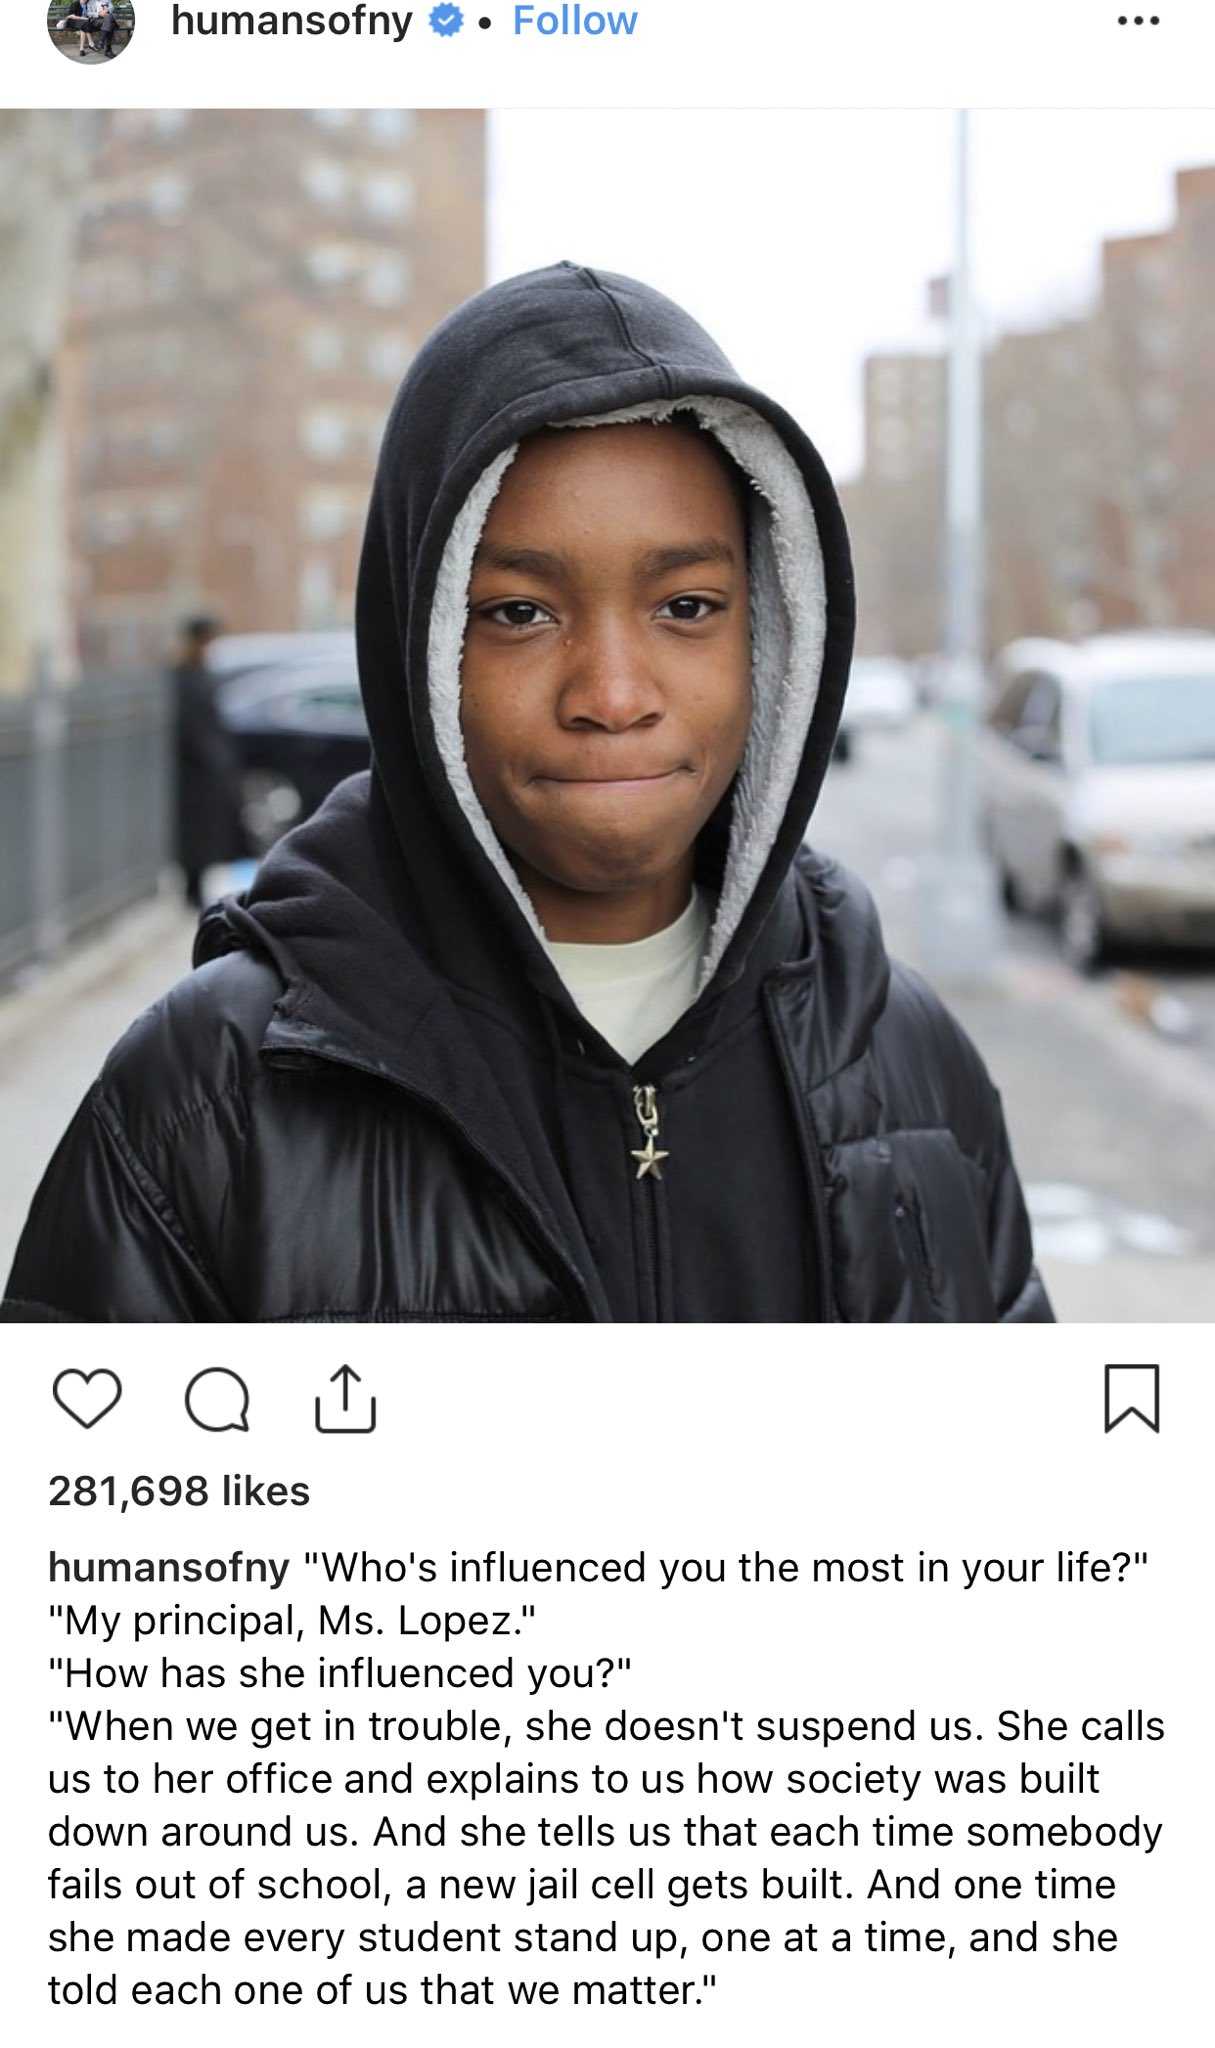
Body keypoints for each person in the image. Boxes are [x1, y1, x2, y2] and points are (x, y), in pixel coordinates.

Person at [3, 264, 1052, 1323]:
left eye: (686, 605)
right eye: (517, 613)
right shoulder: (204, 1102)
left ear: (772, 636)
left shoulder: (908, 1059)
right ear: (418, 645)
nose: (612, 693)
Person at [169, 615, 244, 912]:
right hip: (193, 770)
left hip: (206, 770)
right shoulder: (184, 676)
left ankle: (195, 886)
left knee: (206, 834)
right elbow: (192, 726)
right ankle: (191, 888)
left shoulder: (200, 672)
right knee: (194, 835)